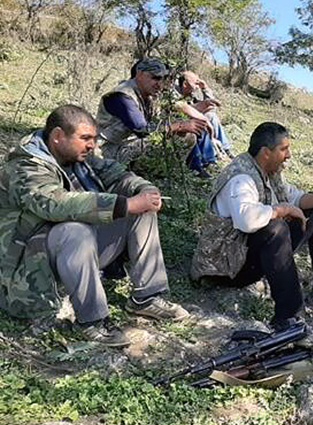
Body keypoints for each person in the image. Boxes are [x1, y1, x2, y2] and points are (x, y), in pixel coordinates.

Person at [0, 105, 188, 347]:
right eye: (85, 138)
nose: (91, 145)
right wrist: (124, 204)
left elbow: (116, 173)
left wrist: (144, 189)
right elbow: (56, 204)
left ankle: (147, 297)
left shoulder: (77, 158)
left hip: (68, 256)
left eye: (94, 139)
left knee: (142, 208)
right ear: (58, 136)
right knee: (75, 229)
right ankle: (93, 322)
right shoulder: (25, 166)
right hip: (28, 268)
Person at [191, 122, 313, 330]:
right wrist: (281, 210)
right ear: (265, 153)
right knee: (276, 228)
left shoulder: (269, 172)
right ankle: (288, 317)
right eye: (283, 149)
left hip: (246, 255)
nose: (288, 155)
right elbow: (247, 220)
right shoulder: (241, 179)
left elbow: (296, 198)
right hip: (225, 269)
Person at [95, 58, 212, 177]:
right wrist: (179, 126)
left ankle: (164, 173)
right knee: (178, 134)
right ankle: (149, 174)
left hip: (130, 145)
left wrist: (196, 118)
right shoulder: (123, 96)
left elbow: (174, 107)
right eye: (155, 78)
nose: (159, 84)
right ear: (140, 75)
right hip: (111, 152)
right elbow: (144, 130)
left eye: (162, 79)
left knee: (186, 136)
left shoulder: (147, 93)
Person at [176, 71, 234, 160]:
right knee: (200, 124)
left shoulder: (192, 93)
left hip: (192, 118)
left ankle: (225, 149)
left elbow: (212, 107)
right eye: (195, 83)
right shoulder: (174, 95)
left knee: (211, 116)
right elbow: (183, 110)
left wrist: (205, 88)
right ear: (185, 84)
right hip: (181, 123)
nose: (197, 86)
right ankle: (208, 159)